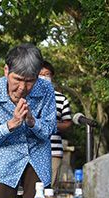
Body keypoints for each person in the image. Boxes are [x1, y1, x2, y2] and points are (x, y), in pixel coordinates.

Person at [0, 43, 57, 198]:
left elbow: (49, 130)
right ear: (6, 71)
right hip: (2, 160)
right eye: (18, 79)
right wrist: (11, 124)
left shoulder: (46, 90)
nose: (23, 87)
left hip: (37, 158)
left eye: (30, 81)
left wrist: (31, 121)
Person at [38, 60, 72, 188]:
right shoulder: (28, 96)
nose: (44, 77)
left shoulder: (61, 98)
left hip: (54, 151)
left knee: (49, 189)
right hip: (33, 150)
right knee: (32, 189)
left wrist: (50, 125)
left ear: (52, 77)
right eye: (40, 74)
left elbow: (67, 123)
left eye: (47, 74)